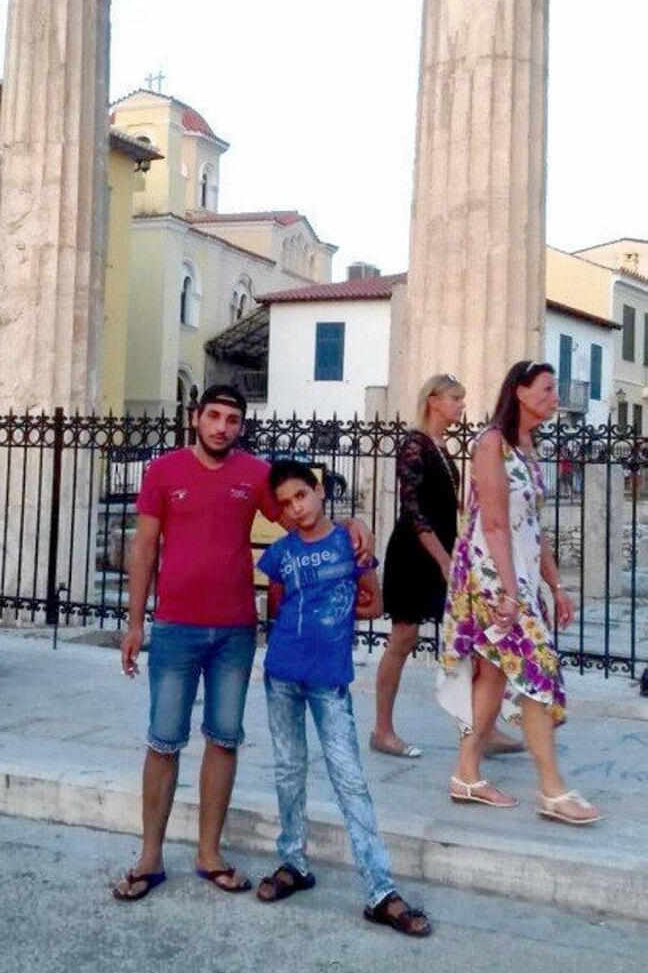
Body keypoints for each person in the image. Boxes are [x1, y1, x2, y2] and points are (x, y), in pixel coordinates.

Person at [112, 383, 373, 902]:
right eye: (214, 416)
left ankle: (209, 854)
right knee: (163, 740)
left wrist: (349, 520)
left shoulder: (254, 475)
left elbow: (302, 518)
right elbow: (143, 548)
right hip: (174, 627)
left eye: (232, 419)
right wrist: (135, 622)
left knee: (224, 739)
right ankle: (150, 857)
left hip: (234, 629)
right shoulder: (163, 471)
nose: (222, 428)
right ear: (196, 418)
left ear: (241, 427)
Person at [255, 460, 431, 937]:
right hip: (282, 676)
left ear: (317, 491)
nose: (296, 509)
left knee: (348, 779)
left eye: (301, 496)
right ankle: (293, 860)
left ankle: (380, 889)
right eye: (286, 504)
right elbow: (276, 607)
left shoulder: (350, 544)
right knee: (289, 770)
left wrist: (342, 604)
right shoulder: (280, 554)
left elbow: (373, 602)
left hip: (329, 680)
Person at [437, 361, 602, 825]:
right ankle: (552, 788)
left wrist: (555, 584)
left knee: (493, 673)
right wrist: (511, 593)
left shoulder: (528, 447)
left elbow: (532, 526)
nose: (555, 396)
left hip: (520, 574)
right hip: (492, 576)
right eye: (547, 389)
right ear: (521, 392)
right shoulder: (491, 442)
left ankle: (466, 774)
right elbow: (491, 522)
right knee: (537, 671)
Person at [372, 374, 466, 757]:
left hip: (442, 552)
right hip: (415, 555)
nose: (462, 405)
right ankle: (382, 729)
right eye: (456, 398)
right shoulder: (414, 445)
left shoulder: (442, 447)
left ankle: (481, 726)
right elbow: (413, 511)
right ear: (434, 400)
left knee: (467, 638)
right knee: (403, 639)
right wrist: (444, 560)